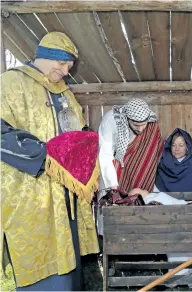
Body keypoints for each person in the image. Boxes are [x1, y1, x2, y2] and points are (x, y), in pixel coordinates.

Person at [1, 32, 99, 290]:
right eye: (63, 63)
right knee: (42, 263)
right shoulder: (11, 82)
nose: (66, 71)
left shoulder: (65, 94)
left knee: (70, 264)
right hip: (30, 191)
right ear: (46, 56)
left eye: (70, 66)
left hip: (66, 196)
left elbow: (78, 132)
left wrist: (87, 144)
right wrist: (43, 156)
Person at [129, 128, 192, 286]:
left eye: (181, 145)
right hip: (172, 215)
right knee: (174, 233)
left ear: (188, 147)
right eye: (174, 145)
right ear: (169, 146)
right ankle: (176, 272)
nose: (177, 149)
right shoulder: (163, 166)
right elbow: (156, 193)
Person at [97, 98, 164, 235]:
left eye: (143, 125)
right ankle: (108, 241)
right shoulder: (110, 121)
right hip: (111, 166)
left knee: (138, 200)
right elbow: (105, 155)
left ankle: (137, 238)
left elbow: (151, 148)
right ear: (127, 118)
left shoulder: (150, 123)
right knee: (109, 203)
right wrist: (113, 186)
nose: (141, 129)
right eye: (136, 125)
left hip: (133, 164)